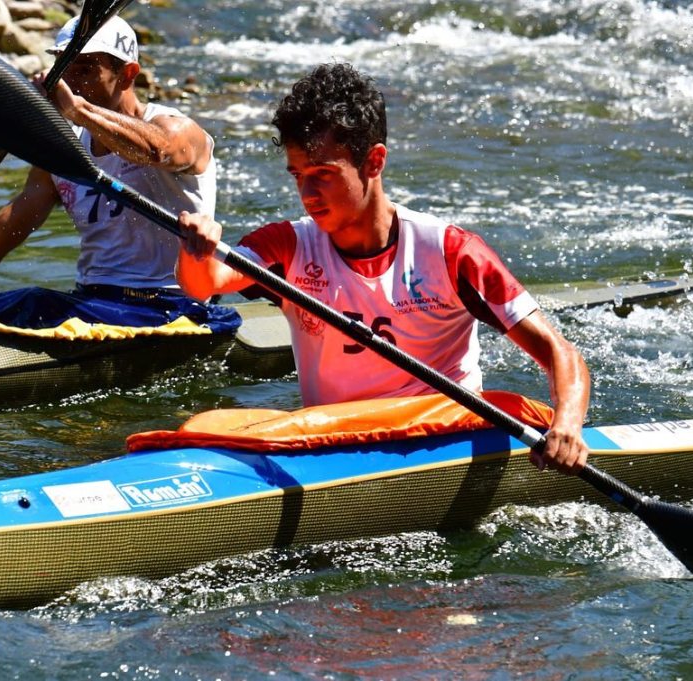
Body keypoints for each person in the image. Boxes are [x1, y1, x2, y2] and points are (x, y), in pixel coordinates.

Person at [175, 63, 590, 475]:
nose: (307, 193)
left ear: (374, 162)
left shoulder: (451, 252)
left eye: (323, 175)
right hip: (337, 443)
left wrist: (567, 426)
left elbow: (560, 353)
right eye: (298, 175)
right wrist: (196, 248)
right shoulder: (287, 245)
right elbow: (204, 284)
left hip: (441, 437)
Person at [0, 15, 236, 334]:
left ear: (128, 74)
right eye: (66, 68)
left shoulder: (178, 130)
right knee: (18, 302)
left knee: (33, 302)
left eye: (86, 69)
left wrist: (75, 111)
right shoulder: (64, 149)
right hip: (93, 305)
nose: (73, 82)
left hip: (169, 309)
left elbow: (157, 149)